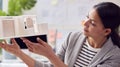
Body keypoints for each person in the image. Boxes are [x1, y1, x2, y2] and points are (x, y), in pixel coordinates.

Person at [0, 2, 120, 67]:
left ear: (107, 31)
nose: (85, 23)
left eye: (92, 23)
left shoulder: (114, 56)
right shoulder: (73, 37)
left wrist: (50, 55)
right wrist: (18, 53)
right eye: (87, 17)